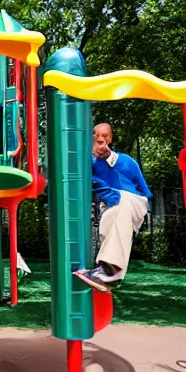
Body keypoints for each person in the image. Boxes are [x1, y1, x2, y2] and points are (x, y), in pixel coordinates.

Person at [75, 123, 152, 291]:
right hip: (113, 203)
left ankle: (112, 267)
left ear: (110, 138)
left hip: (133, 200)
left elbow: (144, 190)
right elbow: (84, 168)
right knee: (107, 228)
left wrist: (107, 154)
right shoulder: (90, 162)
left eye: (105, 135)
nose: (100, 138)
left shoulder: (126, 160)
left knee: (123, 202)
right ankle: (104, 275)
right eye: (96, 134)